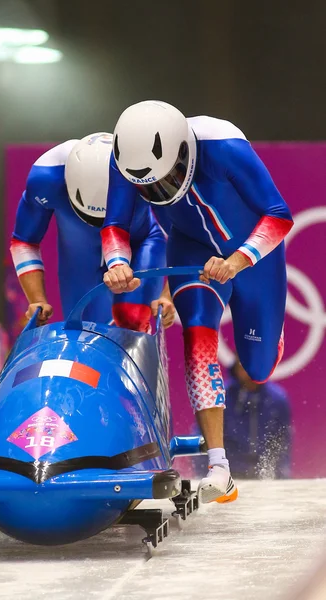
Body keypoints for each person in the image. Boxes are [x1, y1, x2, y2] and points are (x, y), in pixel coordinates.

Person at [101, 101, 293, 504]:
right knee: (198, 337)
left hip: (251, 258)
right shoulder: (124, 161)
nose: (157, 193)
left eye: (165, 182)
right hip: (191, 252)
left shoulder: (223, 145)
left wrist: (237, 260)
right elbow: (115, 225)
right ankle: (219, 466)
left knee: (257, 368)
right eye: (148, 189)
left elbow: (278, 215)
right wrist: (118, 262)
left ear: (183, 154)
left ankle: (267, 333)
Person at [10, 132, 175, 332]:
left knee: (132, 320)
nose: (104, 230)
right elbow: (24, 242)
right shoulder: (46, 178)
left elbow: (187, 235)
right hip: (80, 259)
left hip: (141, 244)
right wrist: (37, 300)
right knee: (82, 334)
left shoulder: (143, 172)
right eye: (94, 219)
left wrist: (168, 295)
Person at [193, 356, 292, 479]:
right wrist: (205, 474)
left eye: (253, 367)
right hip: (229, 473)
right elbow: (204, 436)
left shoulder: (278, 399)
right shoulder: (220, 397)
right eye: (243, 367)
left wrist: (280, 476)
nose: (248, 372)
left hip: (263, 475)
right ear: (236, 369)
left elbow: (282, 442)